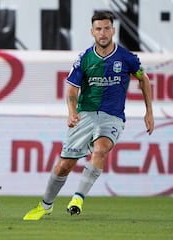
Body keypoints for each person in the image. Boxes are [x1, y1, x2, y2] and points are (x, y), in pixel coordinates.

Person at [23, 11, 154, 220]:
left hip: (112, 117)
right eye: (98, 29)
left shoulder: (126, 58)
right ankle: (45, 205)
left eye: (106, 28)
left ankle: (78, 198)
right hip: (85, 115)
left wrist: (149, 113)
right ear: (92, 32)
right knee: (64, 165)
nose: (103, 33)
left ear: (113, 30)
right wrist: (72, 112)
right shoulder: (84, 58)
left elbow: (144, 79)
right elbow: (72, 90)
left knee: (100, 150)